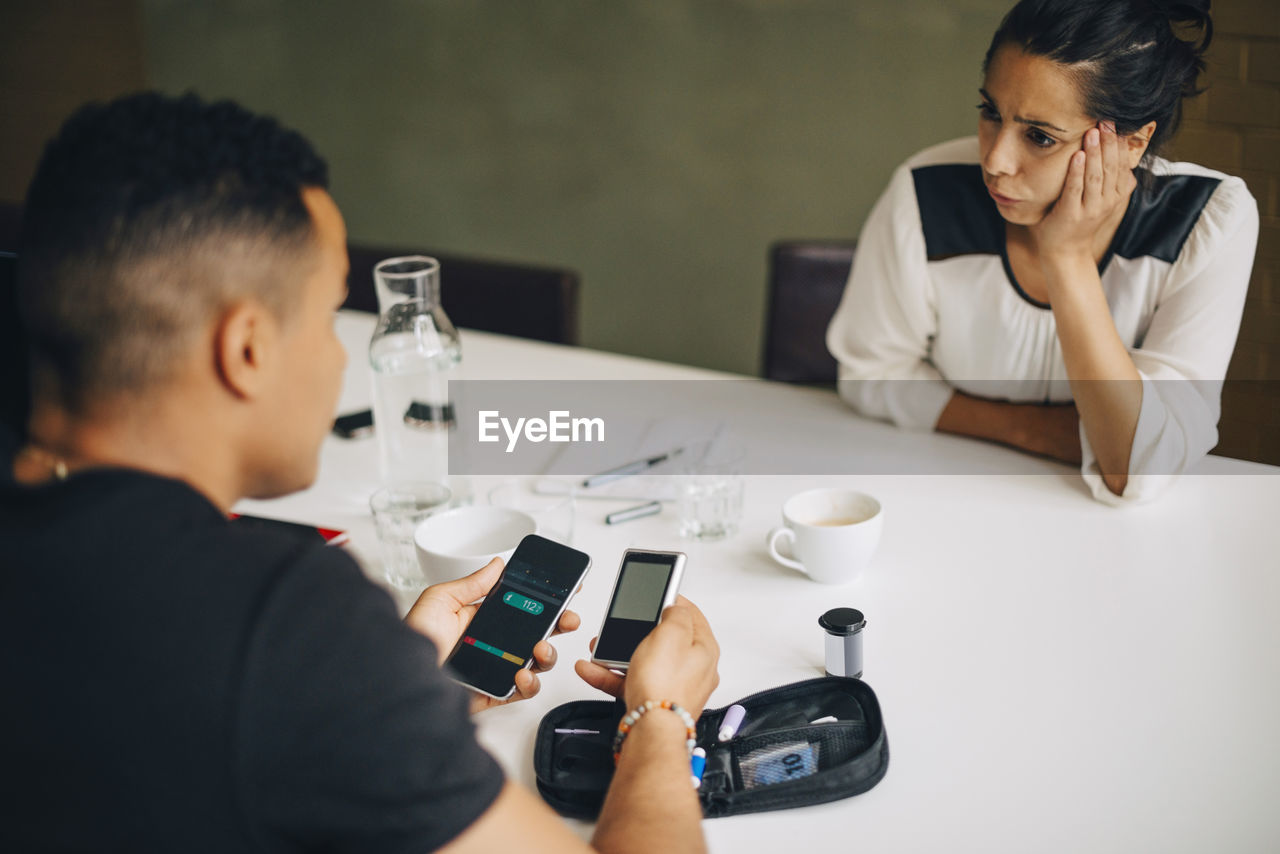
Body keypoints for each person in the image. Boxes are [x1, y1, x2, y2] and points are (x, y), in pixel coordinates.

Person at [0, 92, 719, 853]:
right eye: (329, 317)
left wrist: (390, 703)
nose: (341, 356)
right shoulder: (286, 621)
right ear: (246, 348)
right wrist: (659, 720)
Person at [826, 0, 1258, 505]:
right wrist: (1043, 432)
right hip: (945, 496)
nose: (995, 159)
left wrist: (1068, 259)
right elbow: (870, 374)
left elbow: (1134, 470)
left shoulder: (1207, 219)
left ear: (1133, 144)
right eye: (991, 112)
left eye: (1039, 136)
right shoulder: (927, 189)